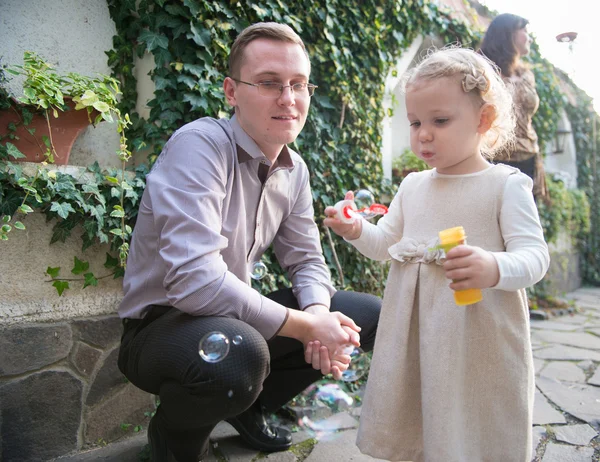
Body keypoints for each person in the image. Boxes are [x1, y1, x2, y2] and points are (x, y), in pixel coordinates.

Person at [117, 22, 381, 462]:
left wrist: (317, 315)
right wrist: (303, 326)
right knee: (239, 355)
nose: (288, 98)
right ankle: (173, 439)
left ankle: (251, 405)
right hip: (159, 328)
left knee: (366, 316)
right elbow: (195, 281)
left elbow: (307, 261)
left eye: (298, 84)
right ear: (231, 91)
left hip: (230, 321)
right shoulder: (200, 147)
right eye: (269, 83)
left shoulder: (294, 170)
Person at [325, 47, 550, 461]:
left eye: (440, 121)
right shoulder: (413, 185)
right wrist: (355, 228)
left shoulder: (505, 185)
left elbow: (535, 258)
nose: (423, 133)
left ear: (483, 120)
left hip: (478, 339)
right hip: (417, 334)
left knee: (472, 423)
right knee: (418, 423)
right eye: (415, 122)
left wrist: (493, 266)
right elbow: (386, 245)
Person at [480, 13, 548, 200]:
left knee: (522, 224)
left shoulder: (527, 75)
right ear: (508, 34)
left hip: (527, 157)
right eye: (524, 30)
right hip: (492, 160)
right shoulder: (482, 69)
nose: (529, 37)